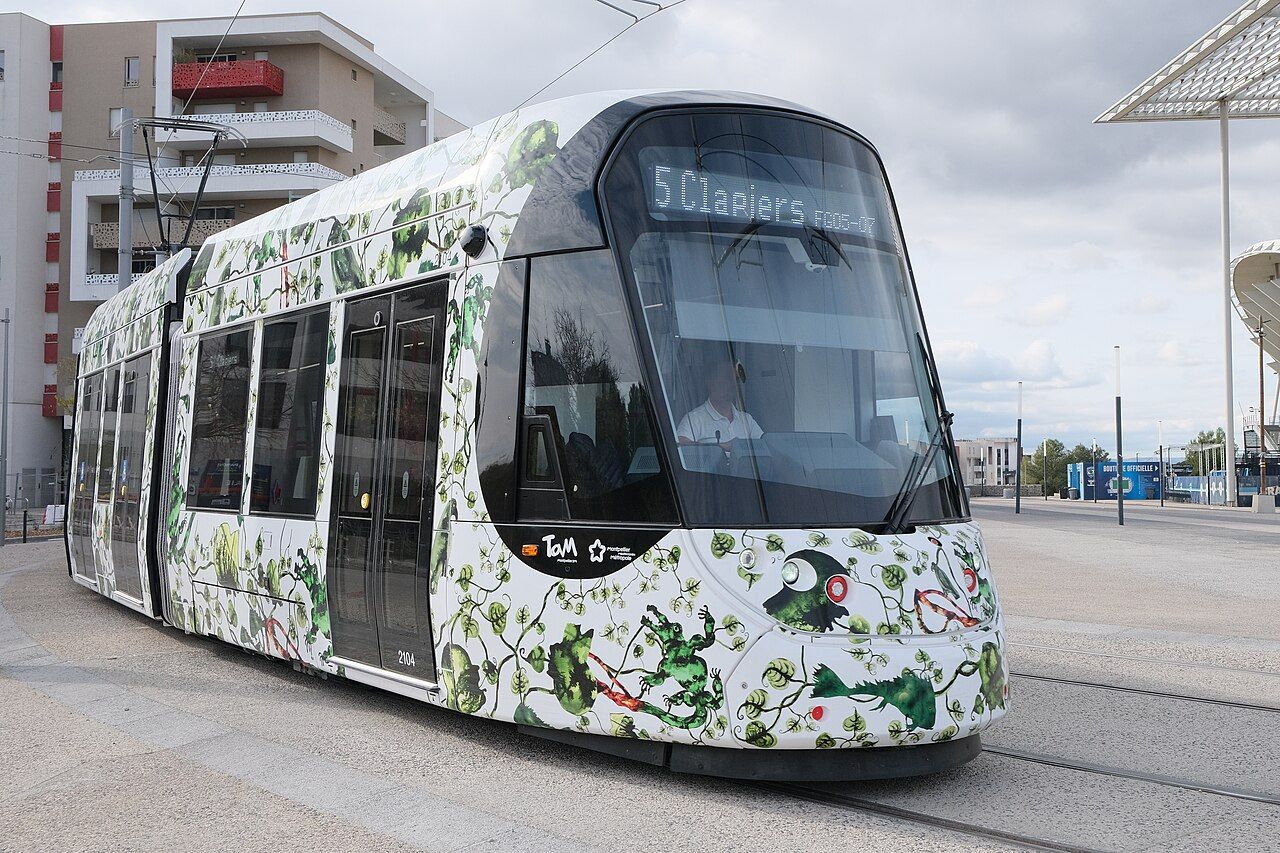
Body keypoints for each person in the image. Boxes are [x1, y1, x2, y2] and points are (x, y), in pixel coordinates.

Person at [676, 357, 763, 449]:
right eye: (728, 378)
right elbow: (681, 445)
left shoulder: (747, 420)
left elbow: (765, 445)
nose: (733, 384)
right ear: (711, 382)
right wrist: (720, 448)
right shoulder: (694, 419)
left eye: (736, 379)